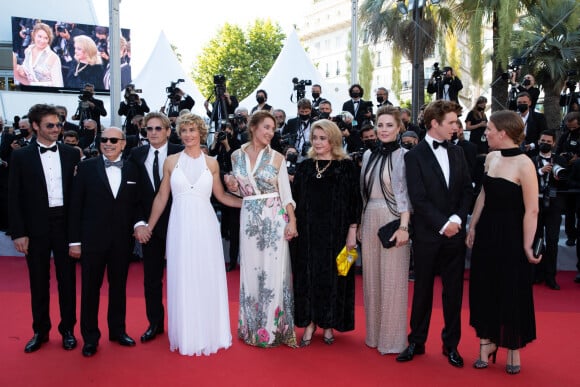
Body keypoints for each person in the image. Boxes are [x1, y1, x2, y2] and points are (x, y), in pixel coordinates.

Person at [142, 113, 240, 356]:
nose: (187, 135)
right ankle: (187, 332)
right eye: (183, 130)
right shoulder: (171, 162)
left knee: (206, 275)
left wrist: (253, 202)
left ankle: (209, 331)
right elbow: (162, 197)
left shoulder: (212, 163)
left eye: (192, 130)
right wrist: (149, 226)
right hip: (180, 226)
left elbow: (221, 197)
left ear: (201, 133)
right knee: (183, 276)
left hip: (206, 226)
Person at [398, 100, 473, 368]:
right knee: (423, 291)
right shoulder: (414, 155)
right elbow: (417, 197)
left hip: (454, 234)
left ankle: (451, 345)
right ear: (434, 124)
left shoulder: (458, 153)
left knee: (453, 293)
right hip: (428, 234)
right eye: (452, 122)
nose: (457, 127)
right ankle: (416, 342)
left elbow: (467, 190)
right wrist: (443, 223)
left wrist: (456, 219)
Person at [466, 110, 540, 374]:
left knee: (510, 289)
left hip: (511, 235)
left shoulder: (525, 164)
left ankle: (512, 347)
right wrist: (472, 225)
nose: (485, 133)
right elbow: (483, 195)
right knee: (484, 286)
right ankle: (486, 342)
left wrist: (527, 245)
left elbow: (532, 209)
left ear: (503, 133)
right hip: (486, 232)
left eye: (489, 129)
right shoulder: (491, 158)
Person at [8, 104, 79, 353]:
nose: (57, 129)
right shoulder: (20, 156)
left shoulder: (72, 153)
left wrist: (77, 233)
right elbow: (13, 197)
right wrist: (18, 232)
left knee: (67, 280)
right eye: (50, 125)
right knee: (38, 281)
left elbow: (77, 195)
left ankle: (68, 330)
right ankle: (40, 330)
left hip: (65, 224)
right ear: (35, 126)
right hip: (35, 226)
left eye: (59, 124)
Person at [227, 111, 298, 347]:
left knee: (273, 271)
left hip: (274, 217)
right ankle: (251, 327)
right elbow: (242, 192)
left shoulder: (278, 157)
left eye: (273, 129)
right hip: (249, 217)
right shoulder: (236, 155)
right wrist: (233, 186)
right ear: (254, 127)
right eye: (266, 127)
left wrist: (292, 221)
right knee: (251, 270)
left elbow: (286, 193)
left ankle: (272, 328)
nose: (270, 132)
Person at [69, 127, 141, 357]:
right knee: (90, 290)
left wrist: (139, 223)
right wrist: (74, 242)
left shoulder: (132, 168)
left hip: (122, 241)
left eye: (113, 140)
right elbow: (75, 207)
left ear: (123, 144)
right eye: (104, 140)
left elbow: (137, 204)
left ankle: (118, 331)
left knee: (118, 289)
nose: (108, 143)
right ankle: (90, 338)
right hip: (92, 241)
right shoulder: (87, 168)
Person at [292, 119, 359, 346]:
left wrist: (352, 231)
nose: (318, 142)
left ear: (333, 139)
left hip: (337, 234)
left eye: (323, 138)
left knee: (334, 278)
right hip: (308, 235)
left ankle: (329, 324)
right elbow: (295, 200)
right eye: (315, 138)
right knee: (308, 278)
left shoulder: (347, 166)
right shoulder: (305, 167)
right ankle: (310, 323)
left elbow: (354, 202)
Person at [360, 106, 411, 355]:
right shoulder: (369, 156)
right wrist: (359, 224)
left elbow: (405, 195)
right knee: (371, 279)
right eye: (380, 125)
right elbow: (363, 193)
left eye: (389, 125)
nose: (383, 130)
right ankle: (373, 336)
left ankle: (391, 340)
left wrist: (404, 227)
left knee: (393, 280)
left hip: (394, 219)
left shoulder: (404, 156)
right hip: (370, 216)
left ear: (399, 128)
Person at [129, 112, 183, 343]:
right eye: (148, 129)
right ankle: (155, 323)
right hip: (149, 228)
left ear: (168, 131)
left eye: (157, 128)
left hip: (180, 223)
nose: (152, 133)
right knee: (151, 278)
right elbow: (132, 194)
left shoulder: (182, 153)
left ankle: (183, 324)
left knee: (183, 277)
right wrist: (140, 223)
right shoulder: (136, 154)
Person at [532, 130, 566, 290]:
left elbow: (567, 182)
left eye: (548, 141)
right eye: (542, 140)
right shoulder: (531, 160)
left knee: (552, 241)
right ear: (538, 141)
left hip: (554, 206)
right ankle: (537, 273)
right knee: (537, 240)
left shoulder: (559, 160)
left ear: (554, 143)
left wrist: (559, 178)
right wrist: (539, 172)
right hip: (536, 206)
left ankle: (550, 276)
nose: (545, 143)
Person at [209, 122, 241, 272]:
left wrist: (227, 144)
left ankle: (233, 260)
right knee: (224, 224)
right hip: (219, 183)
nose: (225, 132)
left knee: (234, 225)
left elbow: (235, 160)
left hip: (234, 186)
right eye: (223, 130)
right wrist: (216, 141)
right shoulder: (219, 144)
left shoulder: (236, 144)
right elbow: (210, 153)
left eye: (228, 129)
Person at [14, 22, 63, 87]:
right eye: (39, 36)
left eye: (46, 38)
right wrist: (20, 69)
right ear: (34, 35)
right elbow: (26, 70)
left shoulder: (54, 58)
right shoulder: (28, 50)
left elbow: (58, 84)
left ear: (49, 40)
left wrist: (32, 84)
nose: (42, 41)